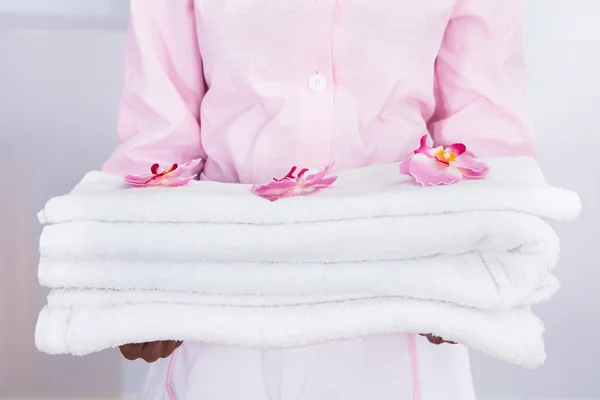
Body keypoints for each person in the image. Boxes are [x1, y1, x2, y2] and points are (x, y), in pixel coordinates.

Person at [103, 0, 536, 398]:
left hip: (402, 322)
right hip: (218, 320)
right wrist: (145, 271)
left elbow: (483, 136)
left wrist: (476, 262)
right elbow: (157, 135)